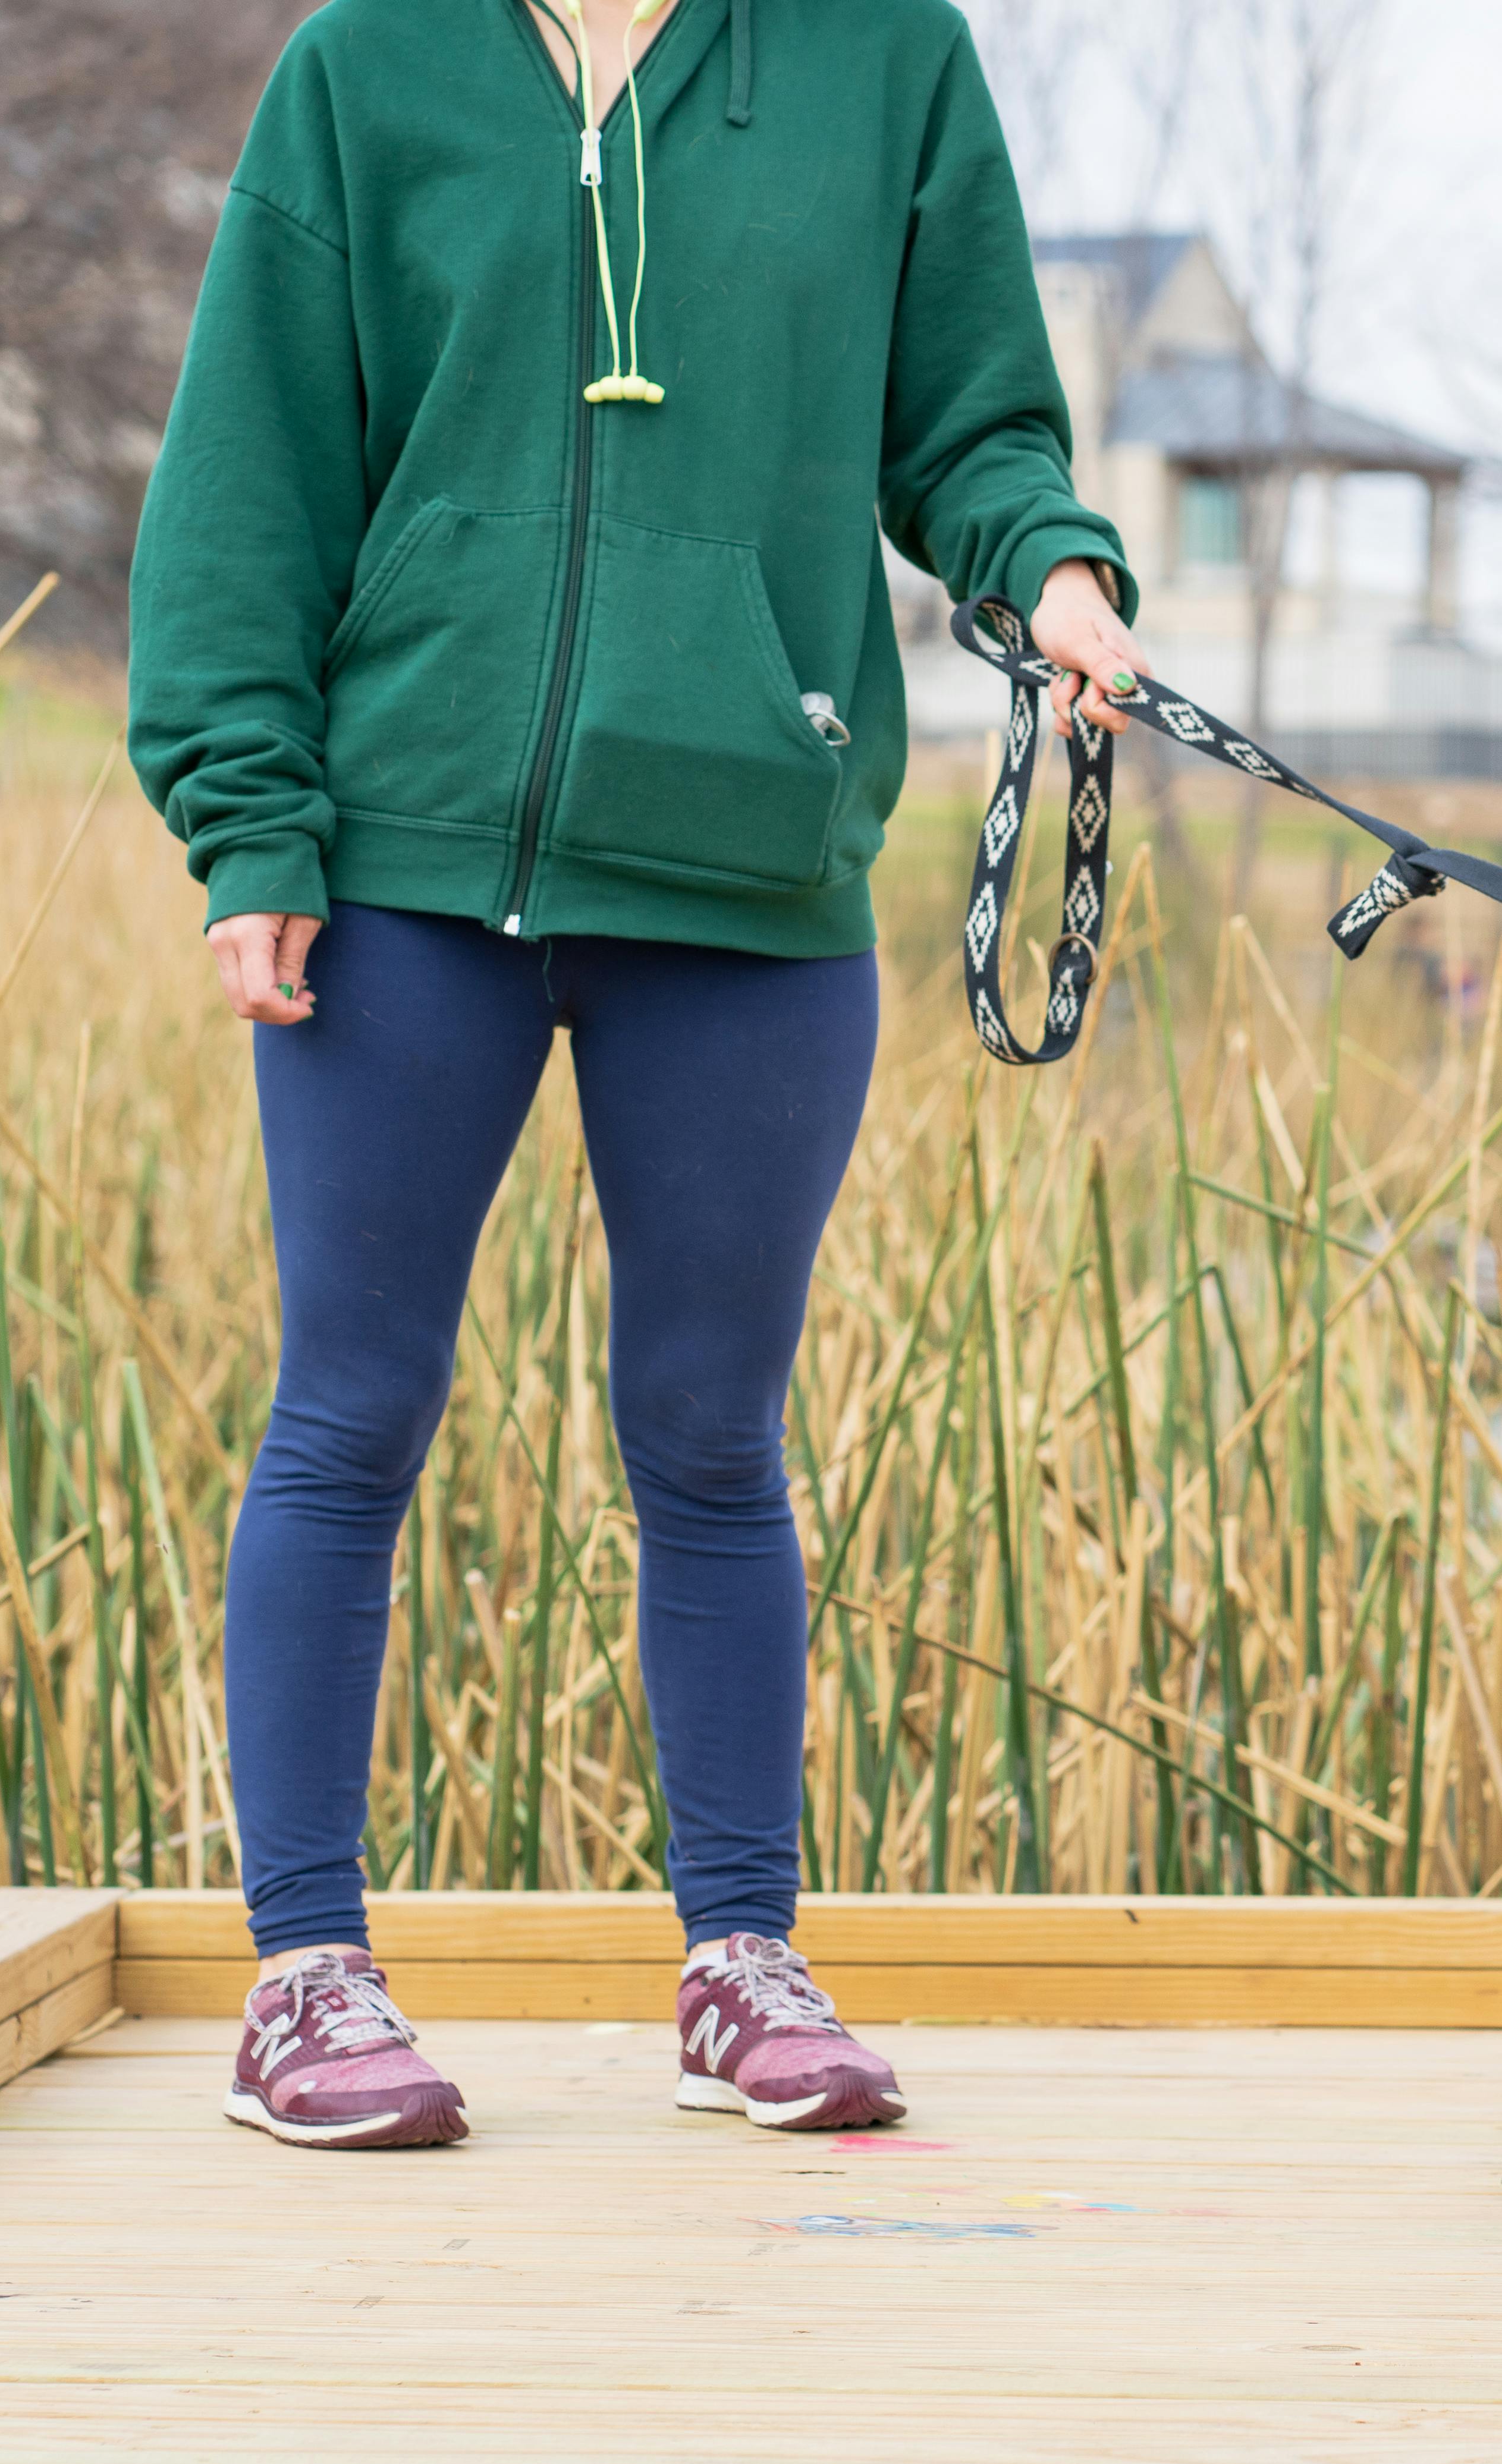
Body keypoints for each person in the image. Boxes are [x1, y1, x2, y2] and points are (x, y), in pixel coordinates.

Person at [127, 0, 1146, 2148]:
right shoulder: (367, 66)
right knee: (350, 1406)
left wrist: (1049, 571)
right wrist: (252, 822)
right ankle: (305, 1977)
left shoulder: (885, 58)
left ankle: (738, 1960)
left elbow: (969, 412)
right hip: (404, 870)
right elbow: (251, 476)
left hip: (749, 879)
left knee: (708, 1428)